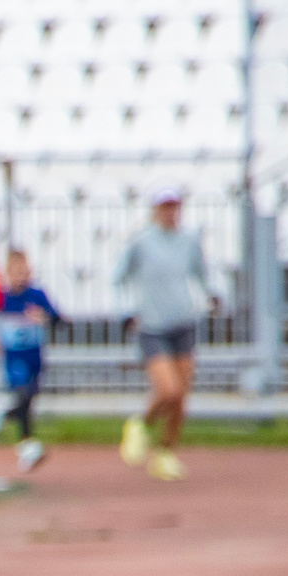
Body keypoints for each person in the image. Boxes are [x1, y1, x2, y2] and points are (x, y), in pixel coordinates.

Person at [113, 185, 222, 481]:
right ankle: (141, 424)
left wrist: (212, 295)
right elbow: (119, 278)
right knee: (168, 389)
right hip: (152, 325)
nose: (170, 213)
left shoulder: (188, 242)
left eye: (174, 207)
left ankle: (166, 451)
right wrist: (126, 311)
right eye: (165, 207)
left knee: (180, 397)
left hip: (183, 321)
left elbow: (201, 274)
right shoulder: (142, 243)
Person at [0, 246, 65, 473]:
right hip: (13, 358)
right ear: (7, 272)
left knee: (28, 401)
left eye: (25, 271)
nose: (22, 276)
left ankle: (18, 434)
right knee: (22, 393)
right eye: (17, 271)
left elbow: (59, 319)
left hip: (34, 356)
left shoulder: (36, 296)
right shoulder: (0, 298)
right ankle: (23, 440)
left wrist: (44, 317)